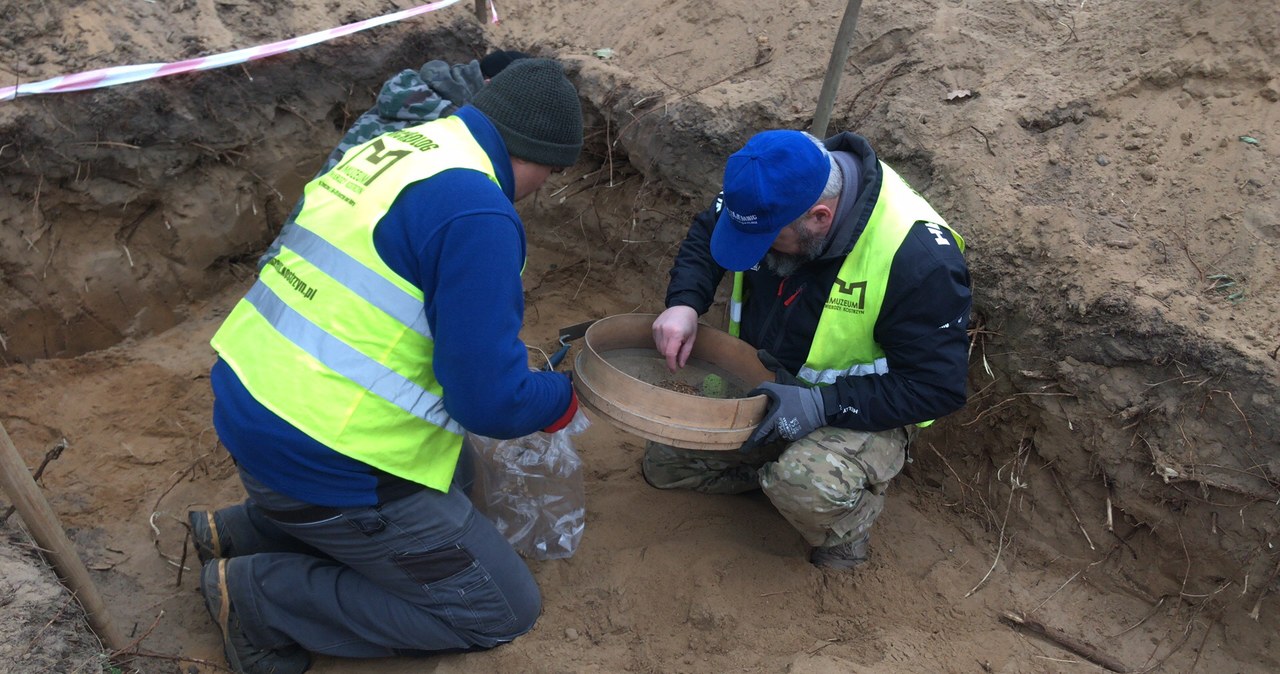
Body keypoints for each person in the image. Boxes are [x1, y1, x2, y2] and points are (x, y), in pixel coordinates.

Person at [187, 58, 583, 673]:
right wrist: (560, 397)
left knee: (460, 475)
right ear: (532, 154)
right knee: (500, 606)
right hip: (319, 453)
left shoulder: (399, 148)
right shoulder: (478, 212)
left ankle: (243, 528)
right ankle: (259, 599)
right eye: (550, 173)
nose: (539, 189)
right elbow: (488, 402)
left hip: (254, 400)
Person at [648, 129, 971, 569]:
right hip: (764, 381)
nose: (754, 253)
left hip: (862, 410)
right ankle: (765, 472)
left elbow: (936, 387)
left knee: (805, 485)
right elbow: (712, 231)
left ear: (819, 218)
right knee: (664, 460)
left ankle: (846, 522)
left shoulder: (917, 259)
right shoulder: (766, 186)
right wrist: (685, 302)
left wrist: (820, 405)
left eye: (766, 242)